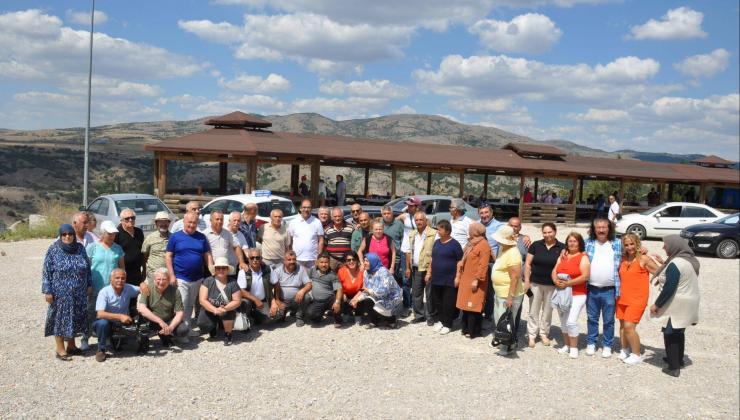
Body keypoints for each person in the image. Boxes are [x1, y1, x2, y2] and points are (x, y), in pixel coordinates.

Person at [649, 235, 700, 377]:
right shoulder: (685, 260)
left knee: (670, 333)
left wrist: (657, 304)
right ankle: (678, 360)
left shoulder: (675, 264)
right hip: (688, 301)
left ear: (674, 246)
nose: (663, 247)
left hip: (678, 303)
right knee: (678, 331)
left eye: (665, 245)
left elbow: (670, 287)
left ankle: (673, 367)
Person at [42, 224, 92, 361]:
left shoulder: (80, 248)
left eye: (70, 234)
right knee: (60, 319)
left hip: (79, 291)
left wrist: (89, 284)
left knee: (75, 318)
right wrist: (47, 291)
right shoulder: (53, 249)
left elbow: (87, 268)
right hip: (60, 293)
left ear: (74, 235)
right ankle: (60, 349)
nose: (67, 236)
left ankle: (72, 346)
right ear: (60, 235)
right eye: (64, 234)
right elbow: (46, 272)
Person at [165, 212, 213, 335]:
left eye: (194, 223)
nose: (192, 225)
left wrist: (212, 271)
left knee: (190, 305)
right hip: (181, 277)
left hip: (197, 278)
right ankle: (179, 332)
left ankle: (187, 329)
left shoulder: (201, 237)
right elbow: (168, 256)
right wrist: (171, 275)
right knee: (182, 304)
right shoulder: (175, 237)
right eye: (189, 222)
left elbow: (207, 255)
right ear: (184, 222)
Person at [617, 233, 659, 365]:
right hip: (622, 297)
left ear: (637, 244)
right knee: (622, 326)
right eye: (626, 245)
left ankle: (636, 354)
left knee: (629, 326)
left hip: (637, 299)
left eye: (632, 244)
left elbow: (660, 272)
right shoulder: (622, 258)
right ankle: (625, 349)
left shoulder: (644, 258)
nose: (629, 247)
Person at [83, 220, 124, 351]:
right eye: (109, 233)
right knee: (90, 313)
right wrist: (87, 284)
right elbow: (86, 268)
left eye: (114, 234)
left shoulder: (118, 248)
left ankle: (106, 338)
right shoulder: (92, 247)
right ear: (102, 233)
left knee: (108, 313)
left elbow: (122, 269)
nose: (112, 236)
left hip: (111, 289)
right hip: (95, 287)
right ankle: (85, 337)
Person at [584, 217, 622, 358]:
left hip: (610, 290)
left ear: (609, 228)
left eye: (604, 227)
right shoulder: (587, 243)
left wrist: (642, 249)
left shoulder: (617, 243)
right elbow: (572, 249)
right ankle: (591, 343)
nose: (601, 230)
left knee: (609, 321)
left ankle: (607, 345)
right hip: (591, 288)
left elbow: (633, 250)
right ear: (593, 229)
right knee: (592, 318)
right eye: (598, 227)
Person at [523, 223, 565, 348]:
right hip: (535, 283)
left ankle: (543, 333)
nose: (547, 235)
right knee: (533, 310)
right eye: (545, 232)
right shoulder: (536, 245)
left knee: (548, 311)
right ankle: (531, 335)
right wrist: (527, 281)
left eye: (550, 232)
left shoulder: (562, 247)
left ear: (555, 232)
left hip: (552, 285)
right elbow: (528, 264)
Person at [552, 232, 590, 358]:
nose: (572, 243)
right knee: (563, 321)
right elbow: (554, 270)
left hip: (577, 294)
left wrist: (568, 283)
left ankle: (574, 348)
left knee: (571, 322)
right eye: (570, 241)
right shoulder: (563, 255)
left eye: (575, 241)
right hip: (562, 293)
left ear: (579, 243)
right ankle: (567, 345)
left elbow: (585, 276)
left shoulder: (583, 257)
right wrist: (555, 280)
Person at [136, 268, 189, 351]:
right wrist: (159, 321)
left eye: (164, 279)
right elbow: (142, 308)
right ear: (154, 279)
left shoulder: (175, 291)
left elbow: (180, 313)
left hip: (167, 320)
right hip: (152, 320)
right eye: (158, 279)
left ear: (169, 280)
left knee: (183, 330)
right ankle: (144, 341)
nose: (161, 282)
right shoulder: (147, 288)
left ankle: (166, 334)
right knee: (142, 327)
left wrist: (171, 327)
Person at [93, 268, 140, 362]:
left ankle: (138, 343)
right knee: (102, 323)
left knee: (130, 343)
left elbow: (142, 289)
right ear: (111, 279)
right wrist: (120, 316)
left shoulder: (128, 288)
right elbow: (100, 314)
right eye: (117, 278)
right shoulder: (104, 292)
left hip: (124, 322)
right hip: (107, 322)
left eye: (123, 278)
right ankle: (101, 349)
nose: (120, 280)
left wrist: (143, 285)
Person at [490, 225, 523, 355]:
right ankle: (502, 341)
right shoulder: (503, 249)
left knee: (507, 321)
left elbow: (515, 277)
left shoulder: (513, 253)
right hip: (499, 292)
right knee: (499, 318)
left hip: (508, 294)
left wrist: (510, 297)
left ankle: (508, 346)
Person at [425, 220, 463, 334]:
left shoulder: (455, 244)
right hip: (437, 278)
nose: (437, 231)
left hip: (449, 279)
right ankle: (441, 321)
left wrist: (458, 277)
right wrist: (429, 273)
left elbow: (459, 262)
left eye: (440, 229)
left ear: (447, 231)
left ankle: (448, 324)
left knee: (448, 302)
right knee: (438, 301)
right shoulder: (437, 242)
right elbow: (432, 259)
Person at [455, 223, 491, 339]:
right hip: (466, 278)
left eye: (470, 229)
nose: (469, 231)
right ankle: (465, 328)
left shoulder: (484, 244)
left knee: (474, 305)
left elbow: (483, 265)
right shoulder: (471, 243)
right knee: (466, 305)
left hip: (476, 280)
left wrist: (477, 280)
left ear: (475, 231)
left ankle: (474, 331)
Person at [401, 211, 438, 324]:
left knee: (430, 294)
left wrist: (431, 270)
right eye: (416, 220)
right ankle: (419, 315)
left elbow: (436, 253)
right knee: (416, 293)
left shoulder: (434, 233)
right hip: (416, 268)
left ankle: (431, 316)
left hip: (429, 268)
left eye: (421, 219)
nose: (419, 222)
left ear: (426, 220)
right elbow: (408, 251)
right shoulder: (412, 234)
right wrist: (408, 267)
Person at [351, 253, 403, 329]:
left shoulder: (383, 272)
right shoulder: (366, 272)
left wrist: (369, 291)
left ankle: (391, 321)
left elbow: (384, 290)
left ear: (373, 261)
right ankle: (374, 321)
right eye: (364, 260)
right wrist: (357, 299)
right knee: (365, 300)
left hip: (391, 297)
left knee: (382, 305)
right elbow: (366, 290)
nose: (364, 263)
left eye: (367, 261)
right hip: (376, 294)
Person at [197, 258, 242, 345]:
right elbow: (202, 300)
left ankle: (228, 334)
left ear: (227, 270)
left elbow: (237, 301)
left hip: (226, 309)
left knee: (228, 312)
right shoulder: (208, 281)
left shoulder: (233, 283)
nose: (221, 270)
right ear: (215, 269)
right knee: (202, 324)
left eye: (223, 268)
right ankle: (212, 327)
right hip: (211, 309)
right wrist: (215, 310)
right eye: (218, 268)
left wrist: (224, 308)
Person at [237, 248, 279, 326]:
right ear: (248, 259)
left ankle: (255, 316)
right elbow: (241, 291)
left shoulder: (268, 269)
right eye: (252, 258)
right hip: (249, 301)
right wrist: (255, 299)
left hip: (263, 301)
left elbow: (276, 284)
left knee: (270, 319)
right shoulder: (243, 272)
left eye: (257, 257)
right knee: (244, 303)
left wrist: (275, 301)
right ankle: (245, 320)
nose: (255, 260)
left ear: (261, 258)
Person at [271, 251, 312, 327]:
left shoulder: (301, 269)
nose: (292, 262)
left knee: (307, 297)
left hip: (296, 300)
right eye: (289, 260)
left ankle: (299, 316)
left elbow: (309, 284)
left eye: (294, 259)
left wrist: (302, 291)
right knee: (272, 317)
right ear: (284, 260)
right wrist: (277, 300)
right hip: (282, 300)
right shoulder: (277, 271)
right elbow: (272, 287)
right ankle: (282, 314)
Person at [478, 204, 503, 322]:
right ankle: (477, 311)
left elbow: (514, 235)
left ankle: (488, 315)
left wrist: (525, 237)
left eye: (486, 212)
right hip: (477, 263)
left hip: (491, 263)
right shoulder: (476, 225)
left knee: (489, 291)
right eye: (481, 213)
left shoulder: (499, 226)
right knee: (478, 289)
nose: (484, 215)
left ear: (491, 213)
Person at [205, 209, 247, 275]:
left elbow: (236, 247)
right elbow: (205, 253)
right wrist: (211, 268)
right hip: (212, 270)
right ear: (211, 220)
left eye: (221, 219)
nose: (219, 221)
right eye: (217, 219)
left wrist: (241, 262)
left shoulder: (228, 233)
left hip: (225, 269)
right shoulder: (205, 234)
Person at [305, 253, 343, 326]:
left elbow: (339, 289)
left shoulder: (333, 274)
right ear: (317, 262)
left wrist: (337, 302)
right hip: (317, 301)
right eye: (321, 262)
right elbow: (305, 280)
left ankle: (338, 319)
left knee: (340, 301)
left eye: (326, 262)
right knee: (311, 314)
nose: (324, 265)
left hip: (329, 299)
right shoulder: (312, 270)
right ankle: (319, 316)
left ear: (329, 263)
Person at [381, 205, 407, 306]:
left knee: (399, 282)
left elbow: (403, 240)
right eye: (384, 214)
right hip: (384, 258)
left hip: (397, 258)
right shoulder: (379, 224)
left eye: (389, 213)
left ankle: (403, 304)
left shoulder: (399, 224)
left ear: (392, 214)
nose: (386, 215)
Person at [288, 199, 325, 269]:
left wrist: (319, 257)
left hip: (313, 259)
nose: (306, 209)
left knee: (311, 276)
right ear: (300, 208)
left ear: (311, 209)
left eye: (308, 207)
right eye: (304, 207)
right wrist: (291, 256)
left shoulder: (317, 222)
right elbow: (290, 241)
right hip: (297, 258)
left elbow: (321, 241)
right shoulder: (293, 222)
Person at [115, 208, 145, 287]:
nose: (130, 220)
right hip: (124, 273)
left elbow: (142, 251)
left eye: (132, 218)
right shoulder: (117, 234)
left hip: (137, 272)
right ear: (121, 221)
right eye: (127, 218)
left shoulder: (139, 232)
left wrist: (144, 270)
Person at [141, 211, 171, 281]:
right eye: (160, 222)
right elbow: (144, 256)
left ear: (169, 223)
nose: (163, 224)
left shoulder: (173, 238)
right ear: (156, 223)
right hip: (153, 276)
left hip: (168, 275)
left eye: (166, 222)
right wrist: (144, 272)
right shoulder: (150, 238)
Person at [336, 252, 364, 319]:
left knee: (361, 297)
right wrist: (344, 295)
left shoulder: (362, 271)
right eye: (348, 260)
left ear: (357, 260)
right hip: (345, 294)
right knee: (341, 297)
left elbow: (364, 287)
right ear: (345, 262)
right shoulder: (341, 271)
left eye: (353, 259)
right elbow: (338, 286)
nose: (351, 261)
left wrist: (356, 298)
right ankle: (346, 312)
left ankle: (358, 314)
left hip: (358, 293)